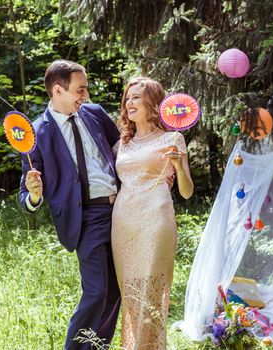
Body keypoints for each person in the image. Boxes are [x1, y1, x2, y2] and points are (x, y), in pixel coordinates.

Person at [18, 59, 121, 350]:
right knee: (96, 291)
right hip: (86, 218)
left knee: (115, 291)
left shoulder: (96, 114)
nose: (85, 96)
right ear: (58, 90)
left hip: (123, 211)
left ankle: (98, 347)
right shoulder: (36, 134)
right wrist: (35, 194)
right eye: (80, 89)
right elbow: (25, 198)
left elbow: (123, 148)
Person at [111, 77, 194, 349]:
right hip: (124, 222)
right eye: (128, 97)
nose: (129, 102)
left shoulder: (173, 139)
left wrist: (178, 167)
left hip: (156, 220)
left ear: (153, 103)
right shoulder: (121, 143)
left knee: (151, 289)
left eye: (136, 97)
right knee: (131, 292)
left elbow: (187, 192)